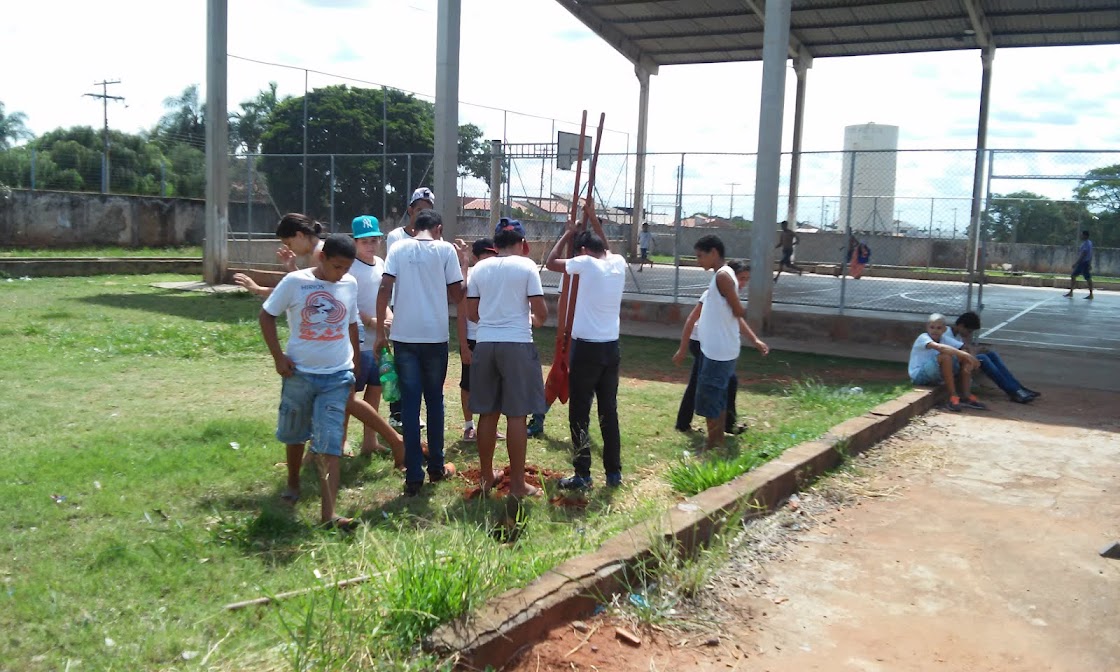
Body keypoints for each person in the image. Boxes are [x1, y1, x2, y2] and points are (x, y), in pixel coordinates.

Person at [258, 233, 361, 530]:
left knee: (330, 444)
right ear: (322, 258)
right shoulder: (295, 283)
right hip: (299, 374)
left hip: (336, 376)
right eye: (337, 266)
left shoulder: (349, 284)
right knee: (294, 434)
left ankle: (329, 515)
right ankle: (293, 484)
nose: (341, 274)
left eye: (347, 268)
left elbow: (351, 322)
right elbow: (266, 316)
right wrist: (279, 357)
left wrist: (354, 363)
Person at [375, 208, 465, 497]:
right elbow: (458, 294)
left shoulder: (399, 248)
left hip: (403, 336)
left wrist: (380, 332)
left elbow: (384, 288)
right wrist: (462, 264)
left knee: (410, 406)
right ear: (438, 228)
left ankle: (414, 475)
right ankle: (436, 467)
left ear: (414, 228)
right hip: (434, 337)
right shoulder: (446, 251)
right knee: (435, 402)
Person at [545, 211, 628, 490]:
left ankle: (583, 475)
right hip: (611, 349)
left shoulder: (585, 264)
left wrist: (568, 233)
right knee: (609, 412)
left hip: (587, 350)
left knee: (579, 413)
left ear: (582, 251)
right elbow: (608, 247)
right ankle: (614, 473)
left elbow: (550, 262)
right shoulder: (618, 263)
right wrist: (592, 221)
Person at [467, 218, 549, 498]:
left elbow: (471, 314)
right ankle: (516, 484)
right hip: (517, 344)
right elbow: (541, 312)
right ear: (523, 244)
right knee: (516, 414)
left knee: (487, 413)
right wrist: (533, 319)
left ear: (495, 244)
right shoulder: (526, 266)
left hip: (486, 343)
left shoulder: (479, 267)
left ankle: (487, 475)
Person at [673, 261, 769, 435]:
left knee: (718, 382)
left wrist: (755, 340)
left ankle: (689, 424)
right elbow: (691, 320)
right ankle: (720, 427)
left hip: (712, 344)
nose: (743, 283)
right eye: (741, 278)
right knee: (718, 382)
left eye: (747, 279)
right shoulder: (712, 294)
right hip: (702, 343)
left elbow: (737, 320)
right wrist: (682, 348)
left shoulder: (729, 295)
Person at [346, 214, 402, 462]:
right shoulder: (348, 268)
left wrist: (389, 316)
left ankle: (370, 441)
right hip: (356, 342)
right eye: (364, 241)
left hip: (378, 341)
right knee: (349, 395)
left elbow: (384, 298)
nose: (370, 245)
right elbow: (347, 303)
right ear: (355, 242)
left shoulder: (380, 263)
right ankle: (342, 440)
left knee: (375, 390)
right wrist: (370, 320)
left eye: (374, 240)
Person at [691, 235, 753, 450]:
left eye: (701, 256)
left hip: (720, 351)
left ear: (714, 253)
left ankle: (713, 443)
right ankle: (716, 441)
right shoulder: (721, 276)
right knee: (716, 396)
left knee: (710, 397)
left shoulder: (723, 276)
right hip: (718, 349)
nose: (698, 261)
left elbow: (737, 310)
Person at [384, 187, 436, 430]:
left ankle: (413, 411)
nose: (423, 214)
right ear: (410, 211)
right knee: (401, 363)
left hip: (425, 308)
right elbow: (389, 278)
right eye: (419, 209)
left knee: (423, 368)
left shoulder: (437, 238)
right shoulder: (396, 237)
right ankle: (398, 412)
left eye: (428, 210)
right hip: (399, 304)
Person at [455, 238, 500, 442]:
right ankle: (468, 426)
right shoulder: (470, 278)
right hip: (474, 338)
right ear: (475, 257)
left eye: (493, 254)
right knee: (468, 385)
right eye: (486, 254)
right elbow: (462, 315)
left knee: (492, 384)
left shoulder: (499, 276)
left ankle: (490, 426)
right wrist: (464, 346)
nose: (490, 258)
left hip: (493, 338)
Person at [949, 312, 1039, 404]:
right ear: (961, 325)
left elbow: (967, 348)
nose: (969, 334)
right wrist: (973, 352)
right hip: (954, 363)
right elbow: (964, 350)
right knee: (983, 358)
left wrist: (976, 350)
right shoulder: (947, 334)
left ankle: (1018, 387)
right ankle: (1013, 391)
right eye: (969, 331)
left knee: (991, 354)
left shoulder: (958, 335)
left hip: (961, 359)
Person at [908, 313, 986, 412]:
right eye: (932, 327)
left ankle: (966, 396)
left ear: (944, 330)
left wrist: (971, 358)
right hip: (919, 376)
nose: (935, 330)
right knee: (946, 356)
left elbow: (966, 346)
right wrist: (967, 356)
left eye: (939, 328)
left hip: (934, 375)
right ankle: (953, 397)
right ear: (927, 328)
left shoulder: (944, 339)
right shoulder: (923, 338)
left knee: (963, 356)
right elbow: (940, 347)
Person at [234, 213, 325, 298]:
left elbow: (306, 294)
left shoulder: (319, 254)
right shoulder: (319, 250)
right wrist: (292, 268)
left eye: (289, 244)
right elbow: (307, 288)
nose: (290, 249)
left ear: (299, 235)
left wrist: (258, 289)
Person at [1063, 230, 1094, 300]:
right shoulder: (1089, 243)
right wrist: (1090, 262)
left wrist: (1076, 263)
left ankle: (1091, 294)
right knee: (1074, 276)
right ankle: (1071, 292)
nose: (1081, 236)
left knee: (1088, 278)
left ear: (1085, 236)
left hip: (1083, 263)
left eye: (1082, 235)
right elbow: (1091, 254)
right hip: (1084, 263)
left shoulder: (1086, 244)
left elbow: (1084, 254)